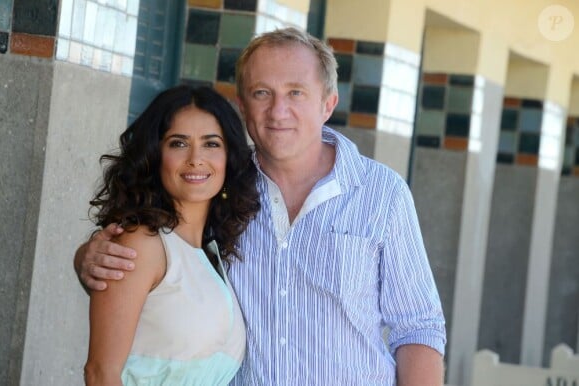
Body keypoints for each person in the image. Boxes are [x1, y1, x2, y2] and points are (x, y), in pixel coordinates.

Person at [76, 27, 446, 385]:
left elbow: (418, 327)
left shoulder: (382, 194)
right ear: (242, 105)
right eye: (262, 93)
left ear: (328, 104)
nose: (278, 111)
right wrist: (88, 257)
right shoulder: (222, 190)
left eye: (296, 93)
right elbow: (158, 256)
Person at [82, 85, 260, 385]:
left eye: (211, 144)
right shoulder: (140, 244)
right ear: (155, 155)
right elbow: (101, 373)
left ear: (228, 157)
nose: (195, 159)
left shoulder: (211, 252)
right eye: (178, 143)